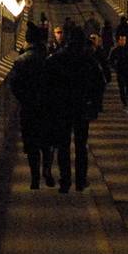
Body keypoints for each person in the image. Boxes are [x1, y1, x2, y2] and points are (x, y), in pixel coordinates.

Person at [42, 25, 106, 194]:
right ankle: (80, 181)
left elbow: (46, 84)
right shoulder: (89, 60)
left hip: (62, 108)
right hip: (82, 108)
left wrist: (50, 106)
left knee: (63, 145)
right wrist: (95, 105)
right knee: (81, 146)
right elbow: (100, 83)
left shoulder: (56, 58)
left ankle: (65, 181)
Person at [9, 22, 55, 188]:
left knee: (32, 145)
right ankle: (47, 171)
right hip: (49, 108)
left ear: (27, 41)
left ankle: (35, 178)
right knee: (47, 143)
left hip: (29, 109)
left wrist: (25, 99)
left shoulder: (21, 61)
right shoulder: (51, 59)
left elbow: (14, 85)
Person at [110, 31, 128, 112]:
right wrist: (115, 67)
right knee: (121, 87)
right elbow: (111, 60)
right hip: (120, 71)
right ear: (118, 41)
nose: (122, 41)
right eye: (121, 40)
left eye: (124, 40)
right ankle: (125, 103)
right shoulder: (116, 50)